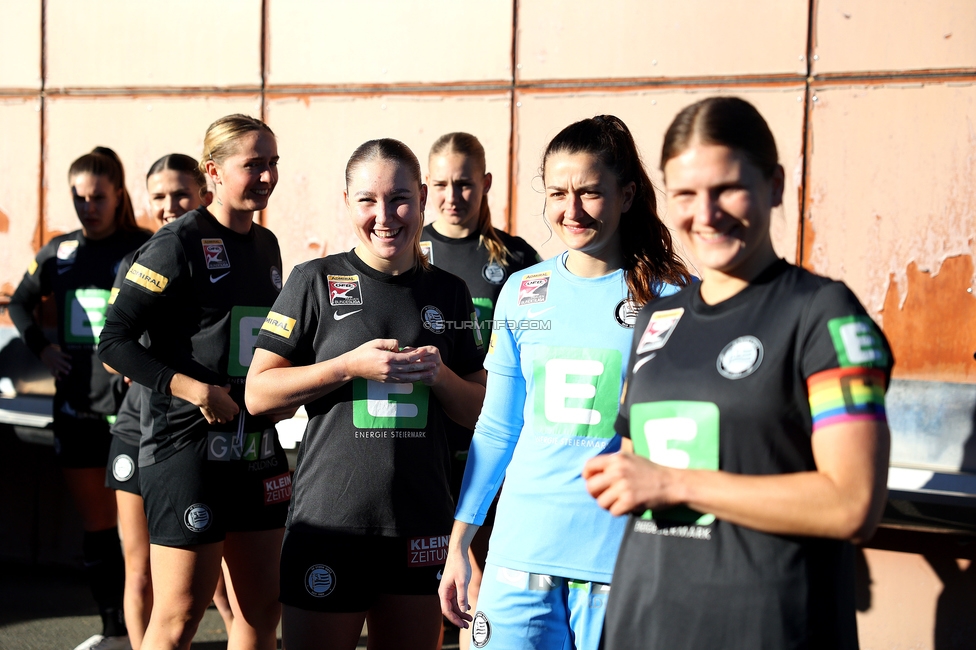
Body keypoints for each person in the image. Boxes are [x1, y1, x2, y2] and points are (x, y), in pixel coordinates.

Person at [582, 96, 892, 649]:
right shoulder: (657, 318)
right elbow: (634, 471)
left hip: (770, 628)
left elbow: (853, 503)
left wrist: (676, 483)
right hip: (645, 625)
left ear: (774, 185)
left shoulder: (823, 314)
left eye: (726, 189)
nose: (706, 213)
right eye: (685, 194)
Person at [439, 115, 690, 650]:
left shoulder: (675, 297)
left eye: (590, 193)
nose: (570, 210)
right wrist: (462, 539)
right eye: (558, 193)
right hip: (518, 551)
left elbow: (690, 442)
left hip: (623, 562)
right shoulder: (522, 289)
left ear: (626, 195)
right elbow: (498, 426)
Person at [245, 138, 487, 650]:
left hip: (420, 526)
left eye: (399, 197)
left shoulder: (449, 293)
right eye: (367, 200)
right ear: (347, 201)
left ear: (422, 197)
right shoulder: (313, 280)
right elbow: (258, 395)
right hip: (329, 523)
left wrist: (440, 376)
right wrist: (345, 367)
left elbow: (476, 412)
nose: (385, 216)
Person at [98, 114, 289, 650]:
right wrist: (191, 388)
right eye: (253, 164)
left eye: (273, 163)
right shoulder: (175, 243)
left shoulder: (268, 246)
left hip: (254, 444)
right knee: (180, 614)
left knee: (261, 609)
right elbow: (113, 341)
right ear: (214, 172)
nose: (268, 176)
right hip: (185, 447)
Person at [9, 146, 152, 650]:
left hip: (131, 414)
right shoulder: (58, 252)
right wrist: (43, 350)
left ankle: (150, 633)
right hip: (75, 408)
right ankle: (113, 630)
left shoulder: (144, 247)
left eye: (97, 197)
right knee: (98, 525)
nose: (88, 207)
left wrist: (146, 363)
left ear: (118, 196)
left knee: (138, 537)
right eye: (79, 197)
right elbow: (22, 305)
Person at [104, 153, 235, 649]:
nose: (168, 205)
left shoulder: (229, 249)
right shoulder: (145, 258)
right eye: (157, 196)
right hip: (143, 429)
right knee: (143, 571)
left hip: (210, 433)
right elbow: (113, 353)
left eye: (179, 193)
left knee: (223, 584)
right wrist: (177, 372)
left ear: (204, 191)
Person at [422, 132, 539, 647]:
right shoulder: (407, 250)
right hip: (422, 442)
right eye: (442, 184)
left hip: (491, 443)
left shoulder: (515, 257)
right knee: (429, 592)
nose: (453, 196)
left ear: (486, 184)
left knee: (481, 588)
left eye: (465, 184)